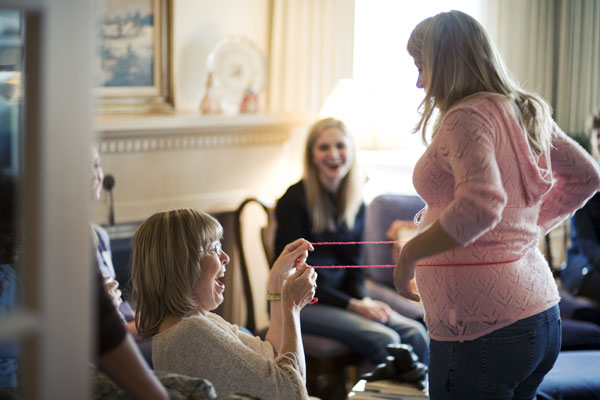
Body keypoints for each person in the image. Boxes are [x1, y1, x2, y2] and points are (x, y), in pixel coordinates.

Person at [393, 10, 600, 399]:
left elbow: (482, 205)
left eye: (422, 67)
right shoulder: (523, 109)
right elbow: (586, 176)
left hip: (483, 331)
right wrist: (526, 228)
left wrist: (410, 253)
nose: (420, 82)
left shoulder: (465, 117)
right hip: (539, 317)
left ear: (447, 63)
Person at [275, 117, 429, 366]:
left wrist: (362, 299)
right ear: (312, 155)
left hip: (342, 299)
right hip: (301, 303)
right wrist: (353, 305)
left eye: (340, 146)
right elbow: (295, 275)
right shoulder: (293, 201)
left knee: (415, 332)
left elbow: (354, 266)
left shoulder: (355, 203)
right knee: (386, 339)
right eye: (324, 147)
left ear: (351, 152)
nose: (333, 154)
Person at [131, 209, 317, 400]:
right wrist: (291, 307)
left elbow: (271, 354)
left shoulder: (196, 321)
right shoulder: (191, 333)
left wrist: (277, 281)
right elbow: (293, 394)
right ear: (182, 265)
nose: (225, 257)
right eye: (213, 249)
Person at [90, 145, 137, 335]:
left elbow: (123, 311)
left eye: (96, 165)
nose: (95, 176)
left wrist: (161, 318)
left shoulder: (100, 235)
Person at [563, 108, 600, 306]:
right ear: (592, 139)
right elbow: (586, 243)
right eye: (599, 136)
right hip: (584, 265)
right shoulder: (585, 179)